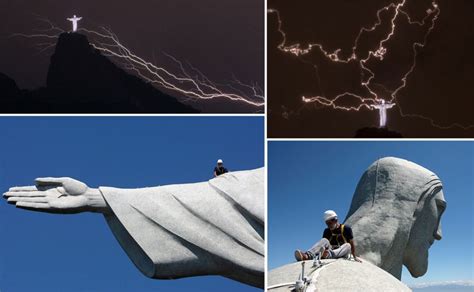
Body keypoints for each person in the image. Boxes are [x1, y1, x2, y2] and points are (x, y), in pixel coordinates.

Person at [294, 210, 361, 262]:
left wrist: (354, 257)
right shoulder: (327, 231)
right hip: (329, 250)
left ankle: (328, 255)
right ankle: (307, 256)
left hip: (342, 251)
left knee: (348, 245)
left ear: (336, 220)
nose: (328, 225)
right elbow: (322, 246)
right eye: (327, 223)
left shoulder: (346, 229)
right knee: (324, 240)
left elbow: (351, 243)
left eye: (330, 223)